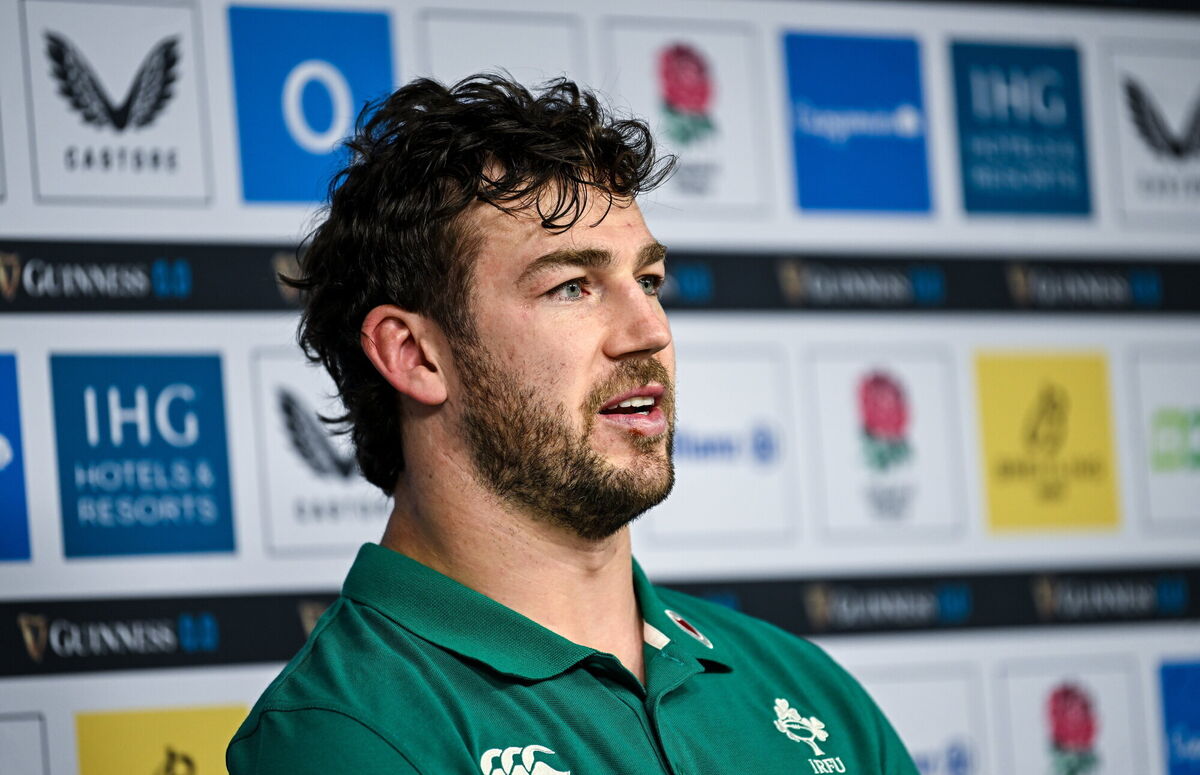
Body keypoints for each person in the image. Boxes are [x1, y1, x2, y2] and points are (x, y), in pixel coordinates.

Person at [227, 73, 919, 775]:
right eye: (571, 286)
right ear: (414, 355)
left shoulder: (804, 686)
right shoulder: (343, 734)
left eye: (648, 281)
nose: (648, 329)